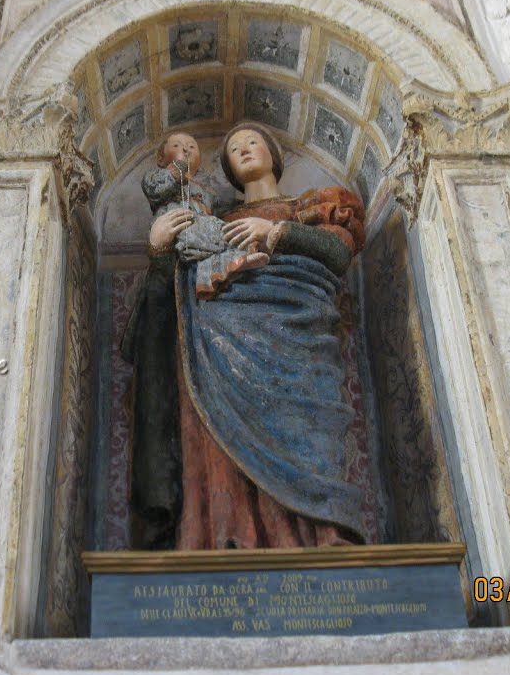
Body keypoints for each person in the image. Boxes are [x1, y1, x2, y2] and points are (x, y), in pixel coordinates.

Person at [123, 121, 368, 551]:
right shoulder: (214, 221)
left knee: (308, 427)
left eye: (253, 142)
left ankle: (323, 535)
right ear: (229, 171)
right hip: (220, 339)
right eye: (235, 148)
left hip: (298, 330)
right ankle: (229, 536)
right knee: (211, 412)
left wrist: (275, 232)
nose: (245, 149)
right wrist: (160, 249)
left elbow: (338, 251)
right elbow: (178, 297)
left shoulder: (311, 204)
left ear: (274, 153)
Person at [142, 132, 270, 300]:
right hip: (182, 225)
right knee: (198, 244)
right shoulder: (156, 175)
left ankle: (239, 260)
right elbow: (153, 188)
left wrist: (244, 203)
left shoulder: (204, 191)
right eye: (177, 146)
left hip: (205, 224)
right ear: (160, 159)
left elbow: (220, 206)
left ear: (200, 161)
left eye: (191, 147)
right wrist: (174, 173)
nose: (186, 150)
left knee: (228, 237)